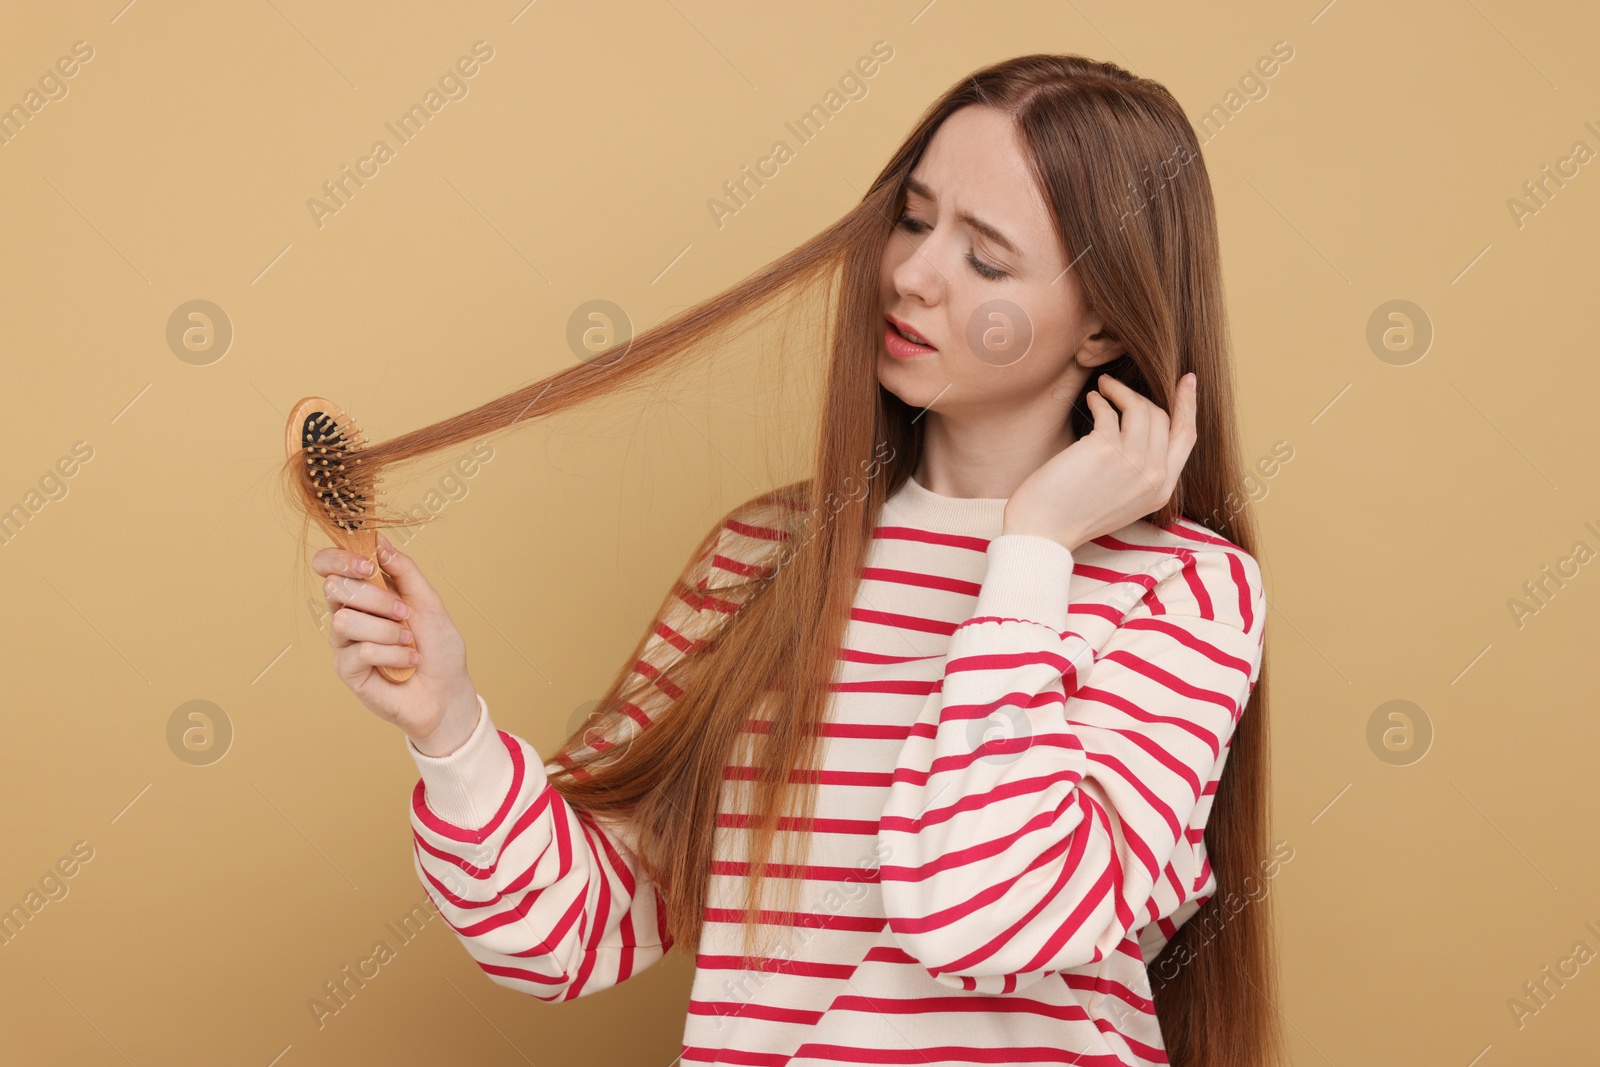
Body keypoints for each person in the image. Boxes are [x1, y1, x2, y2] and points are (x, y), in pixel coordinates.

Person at [299, 54, 1281, 1067]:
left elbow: (988, 917)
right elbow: (570, 934)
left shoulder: (1181, 590)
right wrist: (448, 727)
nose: (910, 273)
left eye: (985, 257)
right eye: (912, 217)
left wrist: (1029, 554)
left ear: (1104, 327)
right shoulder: (763, 559)